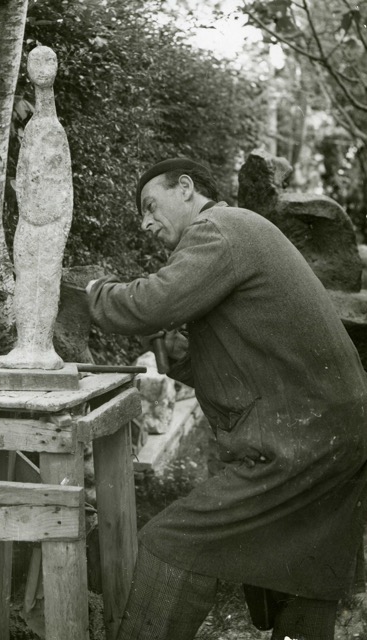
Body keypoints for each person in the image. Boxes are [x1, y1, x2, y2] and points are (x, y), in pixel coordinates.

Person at [86, 158, 367, 640]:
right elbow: (246, 359)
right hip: (333, 429)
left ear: (188, 189)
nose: (146, 223)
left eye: (150, 206)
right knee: (302, 570)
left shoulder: (219, 228)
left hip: (303, 438)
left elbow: (151, 302)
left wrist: (90, 292)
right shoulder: (238, 233)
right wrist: (181, 357)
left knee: (170, 543)